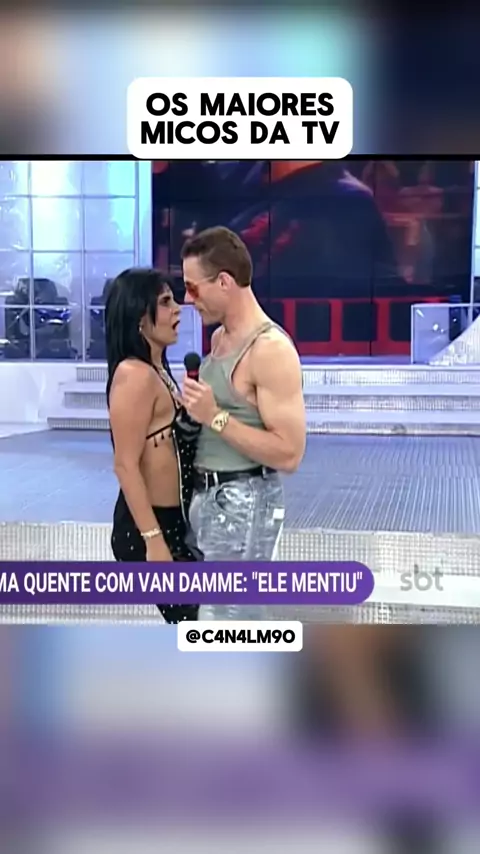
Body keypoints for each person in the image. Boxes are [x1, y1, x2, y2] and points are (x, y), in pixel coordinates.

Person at [181, 226, 306, 620]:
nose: (188, 300)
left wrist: (214, 417)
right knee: (220, 619)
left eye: (193, 288)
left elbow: (289, 454)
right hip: (209, 499)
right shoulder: (218, 339)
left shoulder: (270, 350)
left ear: (224, 282)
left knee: (229, 621)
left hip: (244, 504)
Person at [105, 267, 202, 624]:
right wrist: (154, 540)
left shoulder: (158, 370)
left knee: (202, 626)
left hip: (175, 524)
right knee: (197, 627)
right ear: (139, 318)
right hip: (149, 528)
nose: (178, 309)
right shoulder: (134, 375)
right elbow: (125, 464)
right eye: (165, 302)